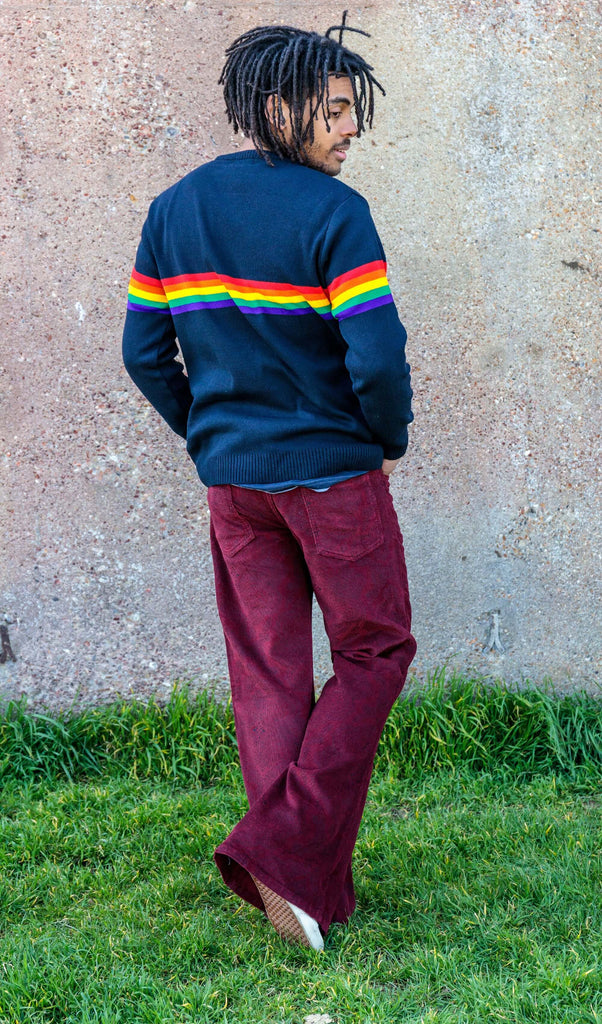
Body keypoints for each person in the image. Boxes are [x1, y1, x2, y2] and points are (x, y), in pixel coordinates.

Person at [122, 12, 416, 952]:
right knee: (375, 652)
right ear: (281, 107)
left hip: (234, 485)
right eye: (335, 111)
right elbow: (375, 359)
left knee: (268, 671)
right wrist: (386, 437)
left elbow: (143, 350)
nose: (350, 130)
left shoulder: (175, 209)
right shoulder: (337, 215)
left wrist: (210, 436)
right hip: (333, 477)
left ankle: (291, 882)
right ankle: (284, 855)